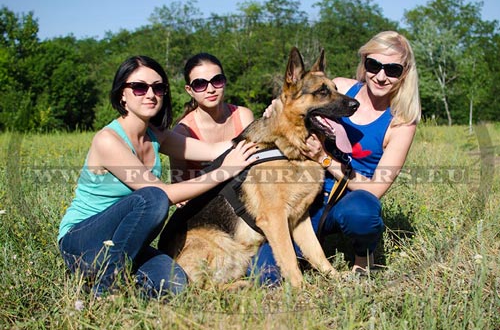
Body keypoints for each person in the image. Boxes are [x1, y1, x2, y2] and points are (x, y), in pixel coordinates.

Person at [58, 55, 257, 298]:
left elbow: (215, 149)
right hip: (83, 240)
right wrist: (224, 171)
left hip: (128, 243)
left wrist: (271, 121)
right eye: (140, 87)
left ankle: (122, 284)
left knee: (175, 283)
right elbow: (163, 195)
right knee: (152, 198)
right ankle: (104, 289)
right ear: (122, 94)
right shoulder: (107, 140)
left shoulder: (156, 135)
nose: (150, 94)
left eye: (158, 87)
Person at [250, 30, 421, 285]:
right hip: (307, 197)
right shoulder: (339, 86)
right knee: (265, 275)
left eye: (393, 69)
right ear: (364, 63)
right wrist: (274, 108)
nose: (381, 76)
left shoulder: (401, 122)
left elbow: (375, 188)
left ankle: (363, 258)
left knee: (362, 209)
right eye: (374, 65)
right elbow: (290, 101)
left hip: (347, 201)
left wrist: (325, 159)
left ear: (404, 73)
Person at [170, 52, 254, 184]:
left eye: (217, 80)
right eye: (199, 84)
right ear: (189, 90)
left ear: (225, 81)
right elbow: (179, 182)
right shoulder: (183, 132)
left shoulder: (243, 116)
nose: (210, 89)